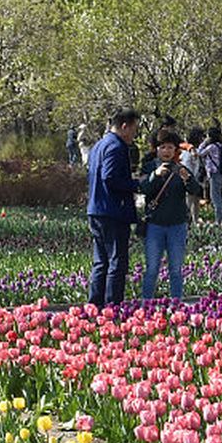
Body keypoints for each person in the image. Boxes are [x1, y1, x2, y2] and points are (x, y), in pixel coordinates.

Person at [140, 128, 205, 300]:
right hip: (155, 225)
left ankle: (177, 304)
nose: (166, 151)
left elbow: (197, 191)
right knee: (152, 268)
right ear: (156, 149)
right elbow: (143, 189)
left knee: (175, 269)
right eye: (163, 147)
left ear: (175, 150)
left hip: (177, 225)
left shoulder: (181, 169)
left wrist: (188, 179)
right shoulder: (149, 167)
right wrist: (154, 175)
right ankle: (146, 304)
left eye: (170, 148)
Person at [86, 109, 141, 307]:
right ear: (124, 126)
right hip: (113, 211)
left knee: (100, 261)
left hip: (96, 208)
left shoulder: (98, 145)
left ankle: (95, 306)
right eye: (134, 130)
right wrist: (136, 185)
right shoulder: (116, 147)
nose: (135, 135)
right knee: (117, 262)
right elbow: (109, 177)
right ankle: (112, 306)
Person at [199, 126, 222, 221]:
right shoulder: (221, 145)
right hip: (221, 174)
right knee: (220, 196)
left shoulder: (211, 147)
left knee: (215, 198)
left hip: (214, 174)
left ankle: (218, 220)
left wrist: (204, 142)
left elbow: (199, 152)